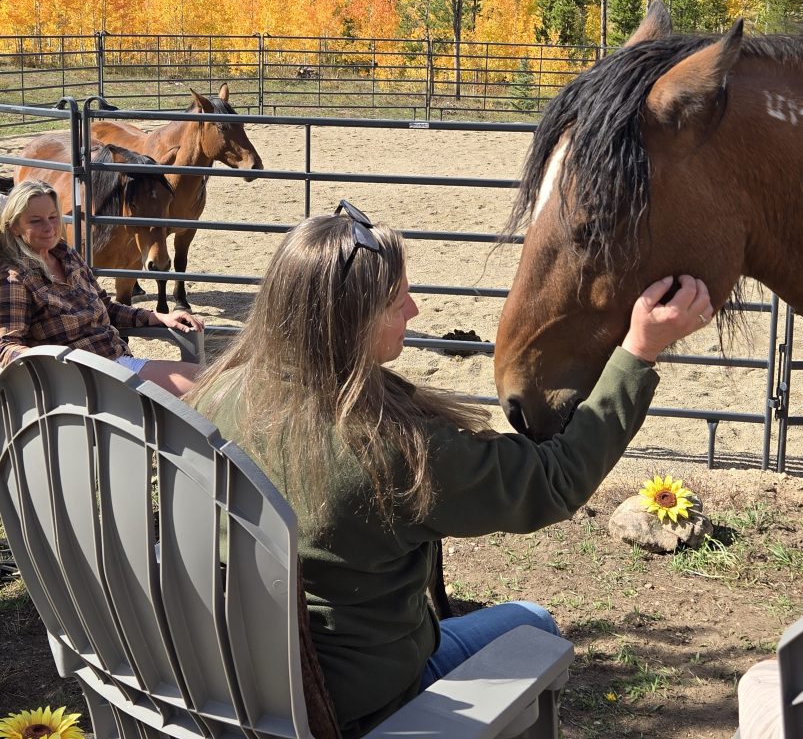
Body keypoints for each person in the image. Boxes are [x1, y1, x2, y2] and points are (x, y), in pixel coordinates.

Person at [187, 199, 714, 739]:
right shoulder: (392, 451)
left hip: (243, 682)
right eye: (397, 300)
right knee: (532, 620)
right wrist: (639, 350)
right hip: (359, 705)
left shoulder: (219, 396)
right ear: (351, 322)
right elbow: (555, 479)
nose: (414, 310)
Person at [0, 179, 203, 396]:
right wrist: (57, 364)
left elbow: (106, 307)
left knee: (211, 380)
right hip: (82, 385)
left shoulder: (66, 255)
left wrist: (157, 317)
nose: (49, 227)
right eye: (35, 221)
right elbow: (7, 346)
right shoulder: (15, 278)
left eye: (53, 217)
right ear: (14, 227)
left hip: (117, 364)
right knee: (203, 388)